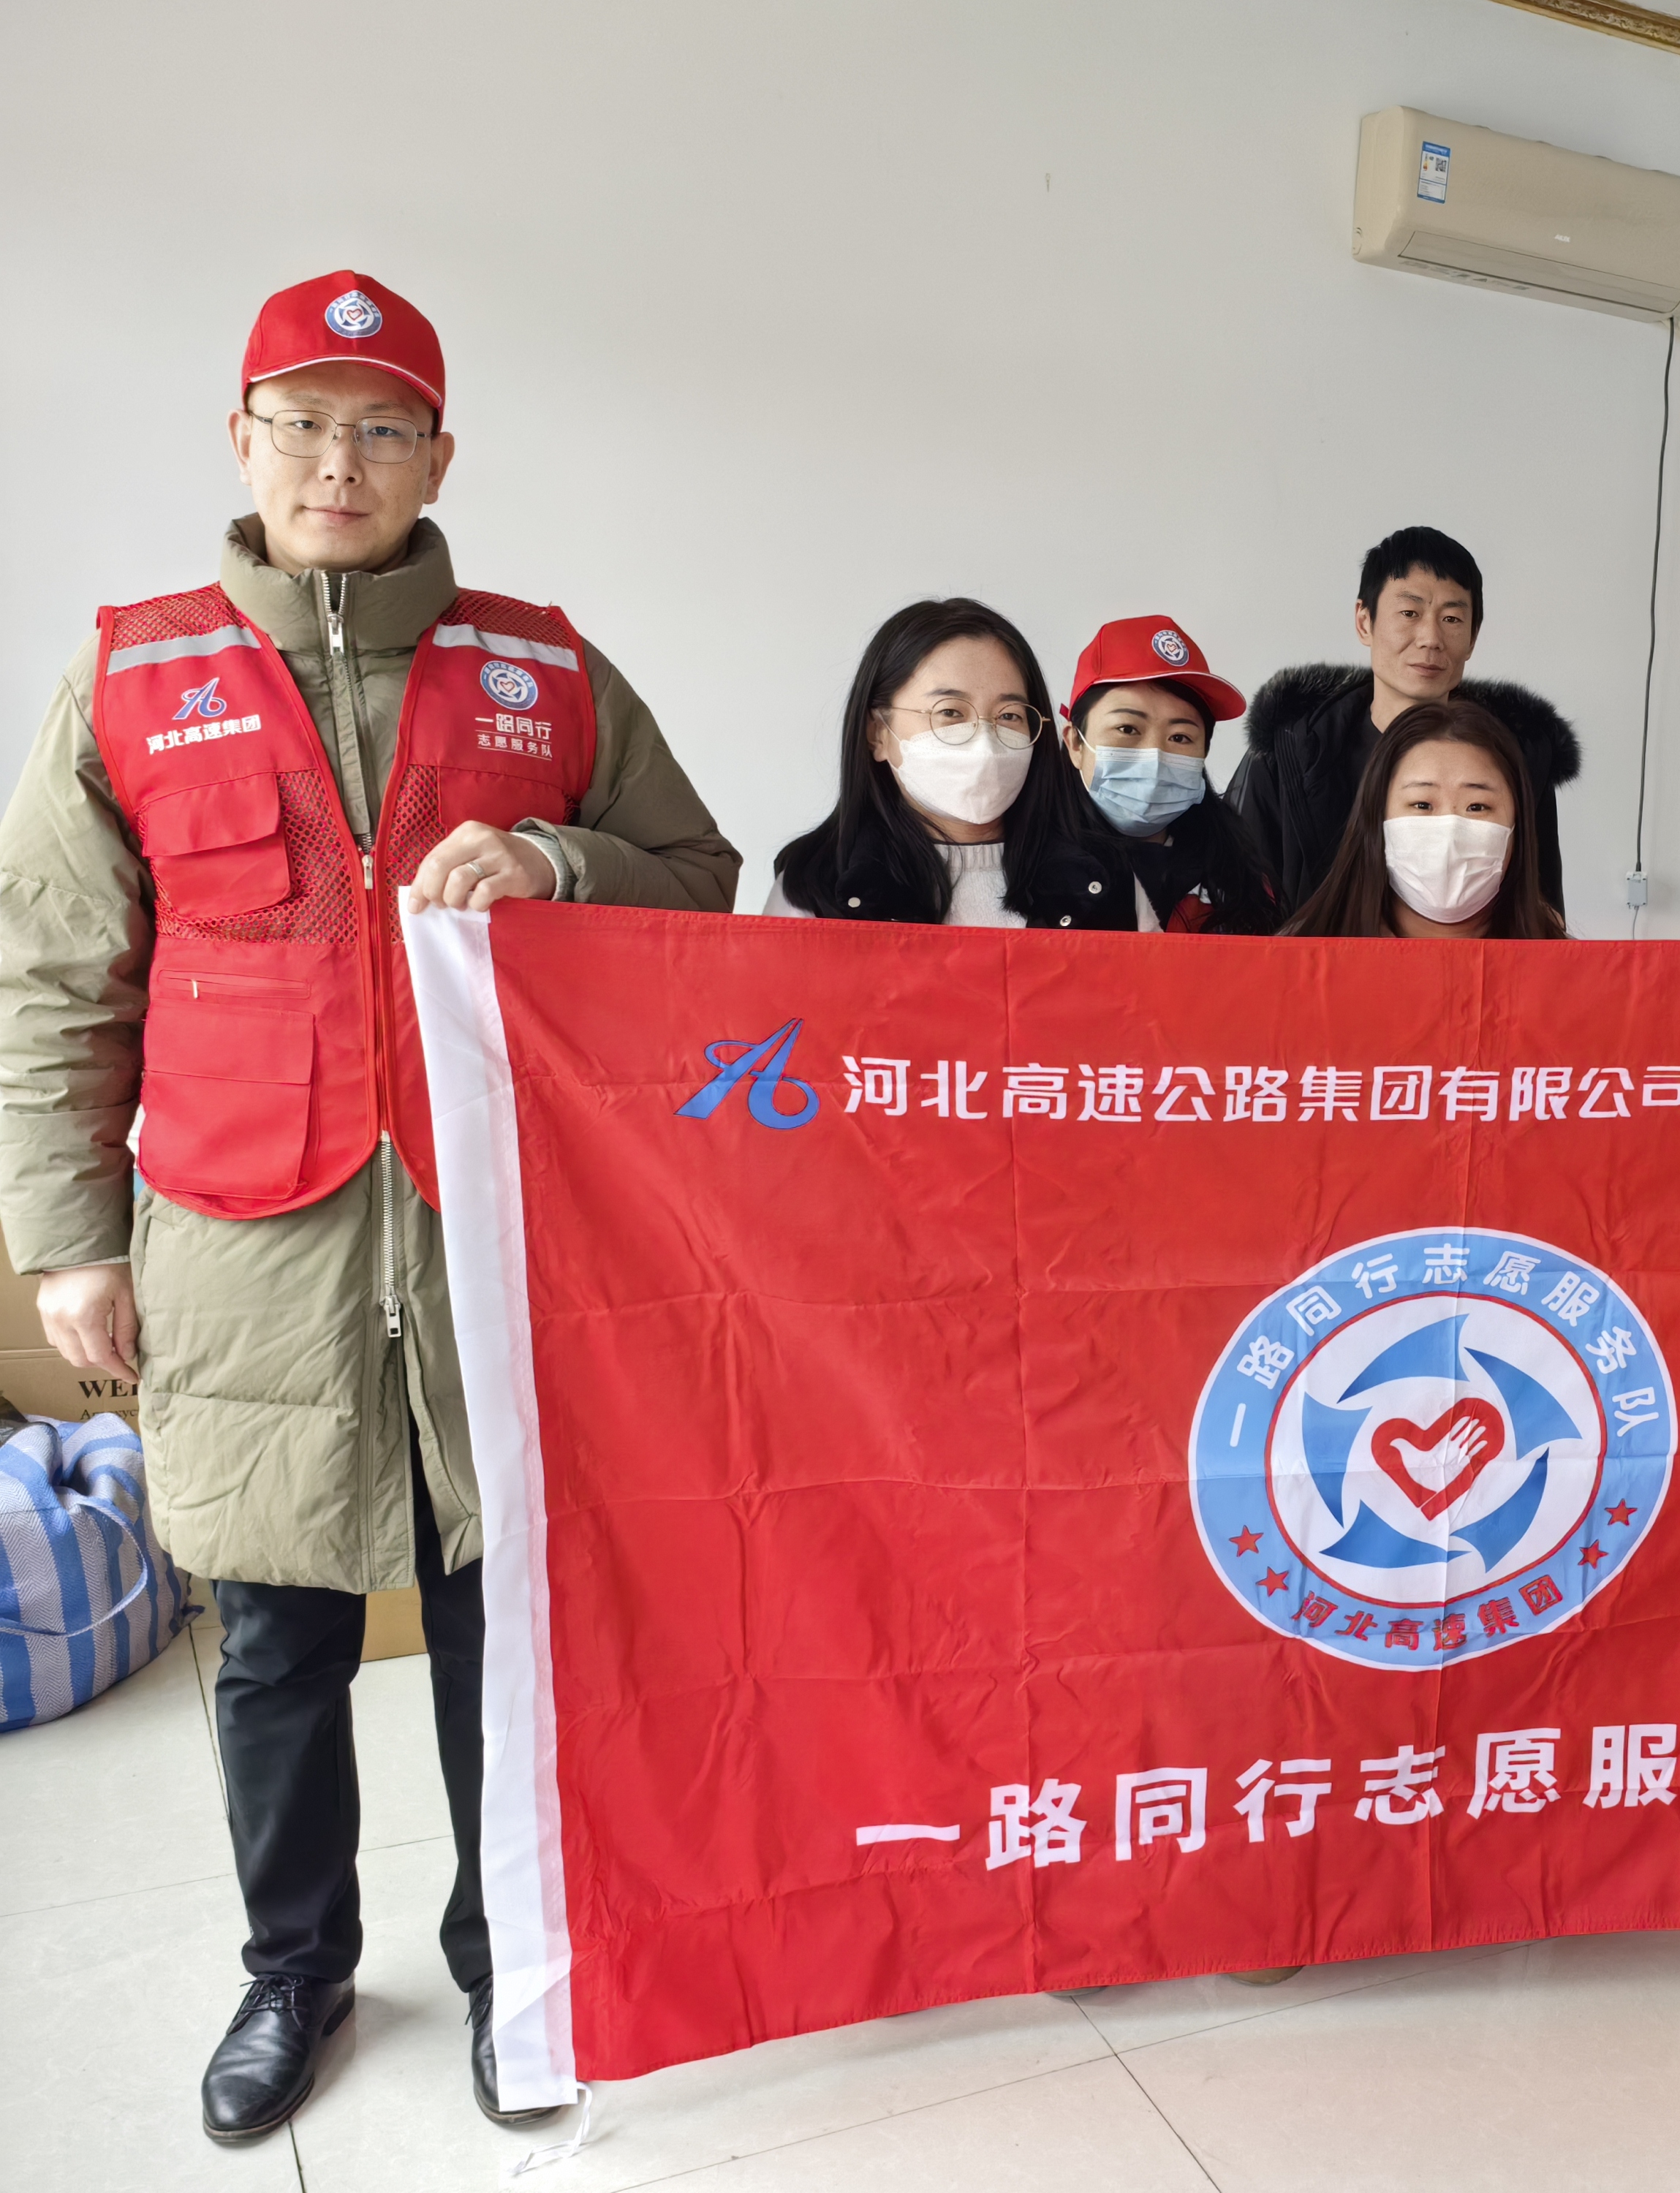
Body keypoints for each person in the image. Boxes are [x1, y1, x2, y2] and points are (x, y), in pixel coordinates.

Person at [0, 272, 740, 2142]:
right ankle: (295, 1970)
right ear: (241, 440)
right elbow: (59, 977)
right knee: (272, 1642)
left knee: (503, 1629)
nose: (341, 461)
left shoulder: (544, 671)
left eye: (383, 426)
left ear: (439, 456)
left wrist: (557, 854)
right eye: (306, 423)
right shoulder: (132, 674)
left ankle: (511, 1965)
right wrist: (68, 1240)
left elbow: (694, 875)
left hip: (495, 1233)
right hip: (246, 1240)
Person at [1233, 526, 1580, 917]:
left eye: (1452, 618)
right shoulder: (1289, 752)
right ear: (1364, 621)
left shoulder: (1517, 758)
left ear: (1472, 637)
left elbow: (1540, 913)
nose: (1431, 638)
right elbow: (1242, 912)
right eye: (1409, 613)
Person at [763, 597, 1131, 928]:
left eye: (1009, 715)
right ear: (877, 733)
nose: (985, 743)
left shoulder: (1106, 879)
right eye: (951, 712)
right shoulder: (814, 887)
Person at [1056, 616, 1279, 933]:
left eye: (1180, 737)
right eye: (1127, 729)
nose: (1156, 756)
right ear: (1076, 743)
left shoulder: (1241, 882)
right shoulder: (1028, 871)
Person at [1282, 700, 1567, 941]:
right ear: (1376, 818)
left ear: (1517, 827)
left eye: (1477, 806)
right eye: (1422, 804)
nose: (1450, 830)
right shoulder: (1292, 961)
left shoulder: (1569, 969)